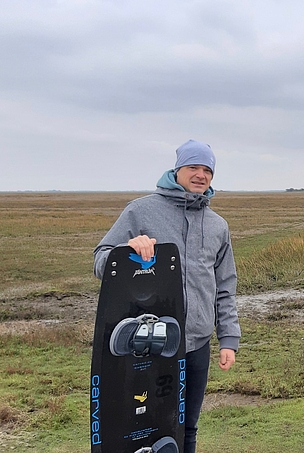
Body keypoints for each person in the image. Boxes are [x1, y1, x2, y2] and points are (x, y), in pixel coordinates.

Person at [93, 139, 241, 453]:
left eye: (207, 170)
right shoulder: (141, 210)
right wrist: (127, 252)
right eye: (193, 167)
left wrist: (228, 338)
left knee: (186, 428)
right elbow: (101, 260)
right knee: (141, 431)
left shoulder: (217, 226)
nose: (200, 175)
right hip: (149, 345)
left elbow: (225, 287)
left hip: (197, 345)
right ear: (177, 170)